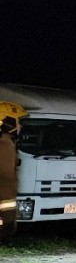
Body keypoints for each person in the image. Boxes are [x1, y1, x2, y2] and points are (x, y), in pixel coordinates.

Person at [0, 101, 27, 243]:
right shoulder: (5, 145)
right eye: (18, 121)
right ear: (8, 123)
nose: (20, 126)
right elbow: (6, 181)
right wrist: (9, 224)